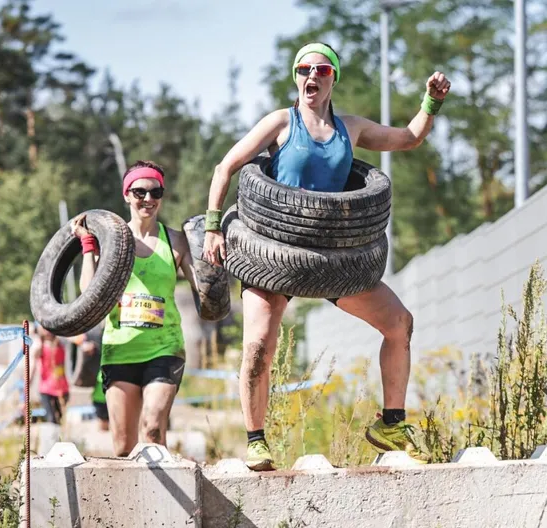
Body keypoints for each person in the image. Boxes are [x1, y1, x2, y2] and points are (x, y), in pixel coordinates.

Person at [202, 42, 451, 470]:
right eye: (303, 69)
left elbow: (408, 138)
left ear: (333, 76)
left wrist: (432, 100)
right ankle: (257, 440)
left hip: (333, 258)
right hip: (272, 253)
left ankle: (391, 424)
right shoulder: (281, 122)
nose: (311, 76)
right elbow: (226, 166)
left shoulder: (350, 129)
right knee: (259, 345)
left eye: (321, 69)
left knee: (399, 323)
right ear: (295, 77)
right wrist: (211, 226)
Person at [73, 160, 198, 456]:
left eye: (156, 192)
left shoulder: (176, 241)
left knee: (153, 428)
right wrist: (89, 245)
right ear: (126, 195)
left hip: (164, 348)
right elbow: (88, 292)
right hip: (121, 348)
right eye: (140, 192)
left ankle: (162, 502)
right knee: (122, 446)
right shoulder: (111, 242)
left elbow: (204, 288)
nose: (149, 199)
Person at [29, 326, 70, 425]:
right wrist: (28, 383)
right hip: (46, 389)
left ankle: (59, 438)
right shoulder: (40, 346)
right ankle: (53, 439)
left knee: (60, 419)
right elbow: (33, 364)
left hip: (62, 388)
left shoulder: (61, 343)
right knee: (52, 419)